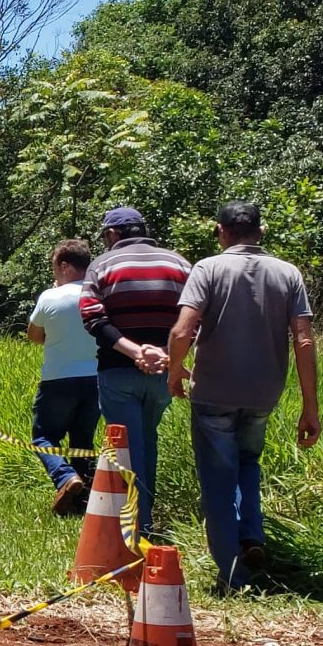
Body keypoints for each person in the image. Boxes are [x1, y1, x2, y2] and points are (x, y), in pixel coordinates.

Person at [167, 202, 321, 589]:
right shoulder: (288, 274)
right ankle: (251, 534)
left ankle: (231, 574)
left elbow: (182, 331)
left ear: (221, 231)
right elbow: (303, 339)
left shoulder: (208, 269)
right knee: (249, 461)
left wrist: (174, 372)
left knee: (218, 480)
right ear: (261, 231)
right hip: (263, 392)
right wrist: (310, 406)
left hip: (214, 391)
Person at [77, 206, 190, 537]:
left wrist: (134, 351)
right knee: (147, 440)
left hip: (118, 371)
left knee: (126, 447)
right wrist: (166, 356)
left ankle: (134, 527)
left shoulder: (101, 265)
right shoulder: (179, 264)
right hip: (163, 374)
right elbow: (194, 319)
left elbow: (93, 318)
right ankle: (146, 518)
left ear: (112, 235)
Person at [24, 239, 98, 515]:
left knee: (43, 437)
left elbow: (34, 336)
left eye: (55, 266)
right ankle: (83, 502)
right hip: (95, 380)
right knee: (83, 441)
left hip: (57, 379)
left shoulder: (50, 296)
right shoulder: (100, 294)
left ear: (65, 266)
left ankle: (66, 478)